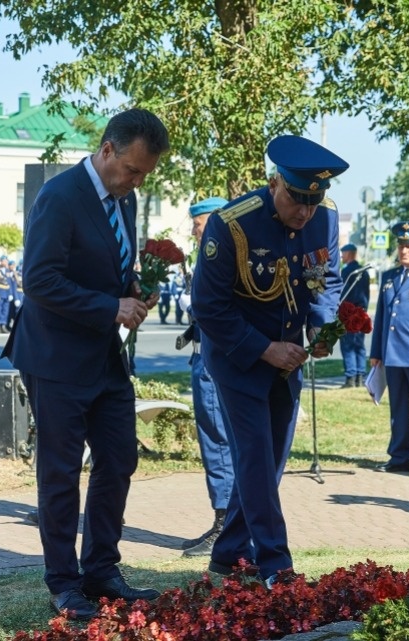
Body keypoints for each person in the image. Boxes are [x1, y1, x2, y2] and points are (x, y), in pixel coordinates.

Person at [2, 108, 169, 620]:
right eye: (133, 169)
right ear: (107, 150)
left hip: (104, 355)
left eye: (144, 174)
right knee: (61, 471)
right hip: (55, 357)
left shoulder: (125, 197)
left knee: (119, 459)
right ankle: (64, 583)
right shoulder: (60, 197)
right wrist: (110, 306)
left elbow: (110, 264)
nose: (137, 181)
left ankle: (101, 571)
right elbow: (40, 281)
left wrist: (133, 289)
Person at [191, 135, 347, 587]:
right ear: (275, 182)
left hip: (288, 359)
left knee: (271, 459)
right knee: (256, 455)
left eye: (313, 201)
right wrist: (264, 348)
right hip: (238, 356)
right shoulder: (231, 224)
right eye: (297, 199)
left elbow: (326, 280)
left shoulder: (326, 217)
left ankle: (227, 553)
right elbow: (209, 307)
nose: (305, 212)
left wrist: (322, 327)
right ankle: (275, 563)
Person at [180, 196, 234, 558]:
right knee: (215, 439)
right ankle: (225, 521)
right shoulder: (212, 254)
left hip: (214, 359)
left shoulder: (220, 252)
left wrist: (193, 304)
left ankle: (225, 525)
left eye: (198, 224)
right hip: (204, 355)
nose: (194, 230)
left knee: (218, 441)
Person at [369, 221, 409, 478]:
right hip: (393, 353)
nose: (404, 250)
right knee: (398, 409)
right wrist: (376, 353)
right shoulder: (390, 276)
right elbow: (382, 317)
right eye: (401, 245)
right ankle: (399, 456)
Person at [338, 243, 371, 388]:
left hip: (349, 313)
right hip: (361, 312)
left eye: (343, 253)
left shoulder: (347, 272)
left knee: (348, 345)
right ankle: (360, 376)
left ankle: (351, 377)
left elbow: (342, 294)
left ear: (350, 254)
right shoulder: (364, 272)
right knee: (359, 345)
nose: (342, 256)